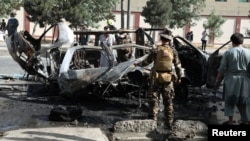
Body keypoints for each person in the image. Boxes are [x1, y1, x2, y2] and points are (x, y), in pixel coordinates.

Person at [215, 32, 250, 125]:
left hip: (231, 80)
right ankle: (245, 120)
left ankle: (230, 121)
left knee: (230, 100)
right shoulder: (249, 52)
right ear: (242, 41)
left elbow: (222, 69)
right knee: (245, 100)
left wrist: (217, 81)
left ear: (232, 41)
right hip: (245, 80)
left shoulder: (228, 53)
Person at [150, 29, 182, 129]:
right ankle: (169, 123)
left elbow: (146, 61)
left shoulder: (156, 50)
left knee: (155, 101)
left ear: (161, 39)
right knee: (168, 102)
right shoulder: (173, 51)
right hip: (168, 80)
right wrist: (179, 78)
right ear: (169, 40)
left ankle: (154, 122)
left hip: (156, 79)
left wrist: (136, 64)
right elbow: (178, 66)